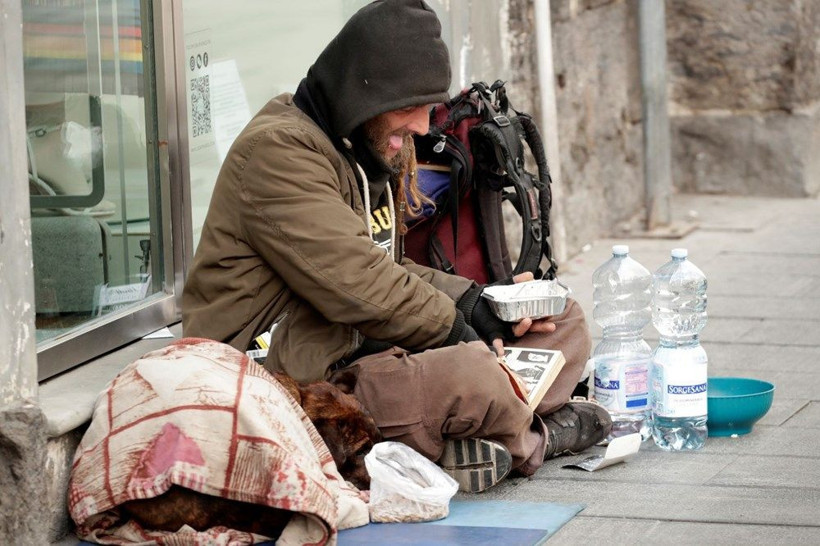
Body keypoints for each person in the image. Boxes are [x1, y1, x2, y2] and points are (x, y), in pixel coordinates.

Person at [183, 0, 611, 493]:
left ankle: (482, 432)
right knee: (470, 373)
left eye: (429, 108)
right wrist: (458, 326)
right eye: (411, 107)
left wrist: (480, 302)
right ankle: (536, 439)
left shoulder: (361, 144)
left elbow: (392, 265)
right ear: (364, 93)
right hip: (287, 382)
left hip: (359, 345)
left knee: (564, 321)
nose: (425, 127)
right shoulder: (278, 153)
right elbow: (360, 280)